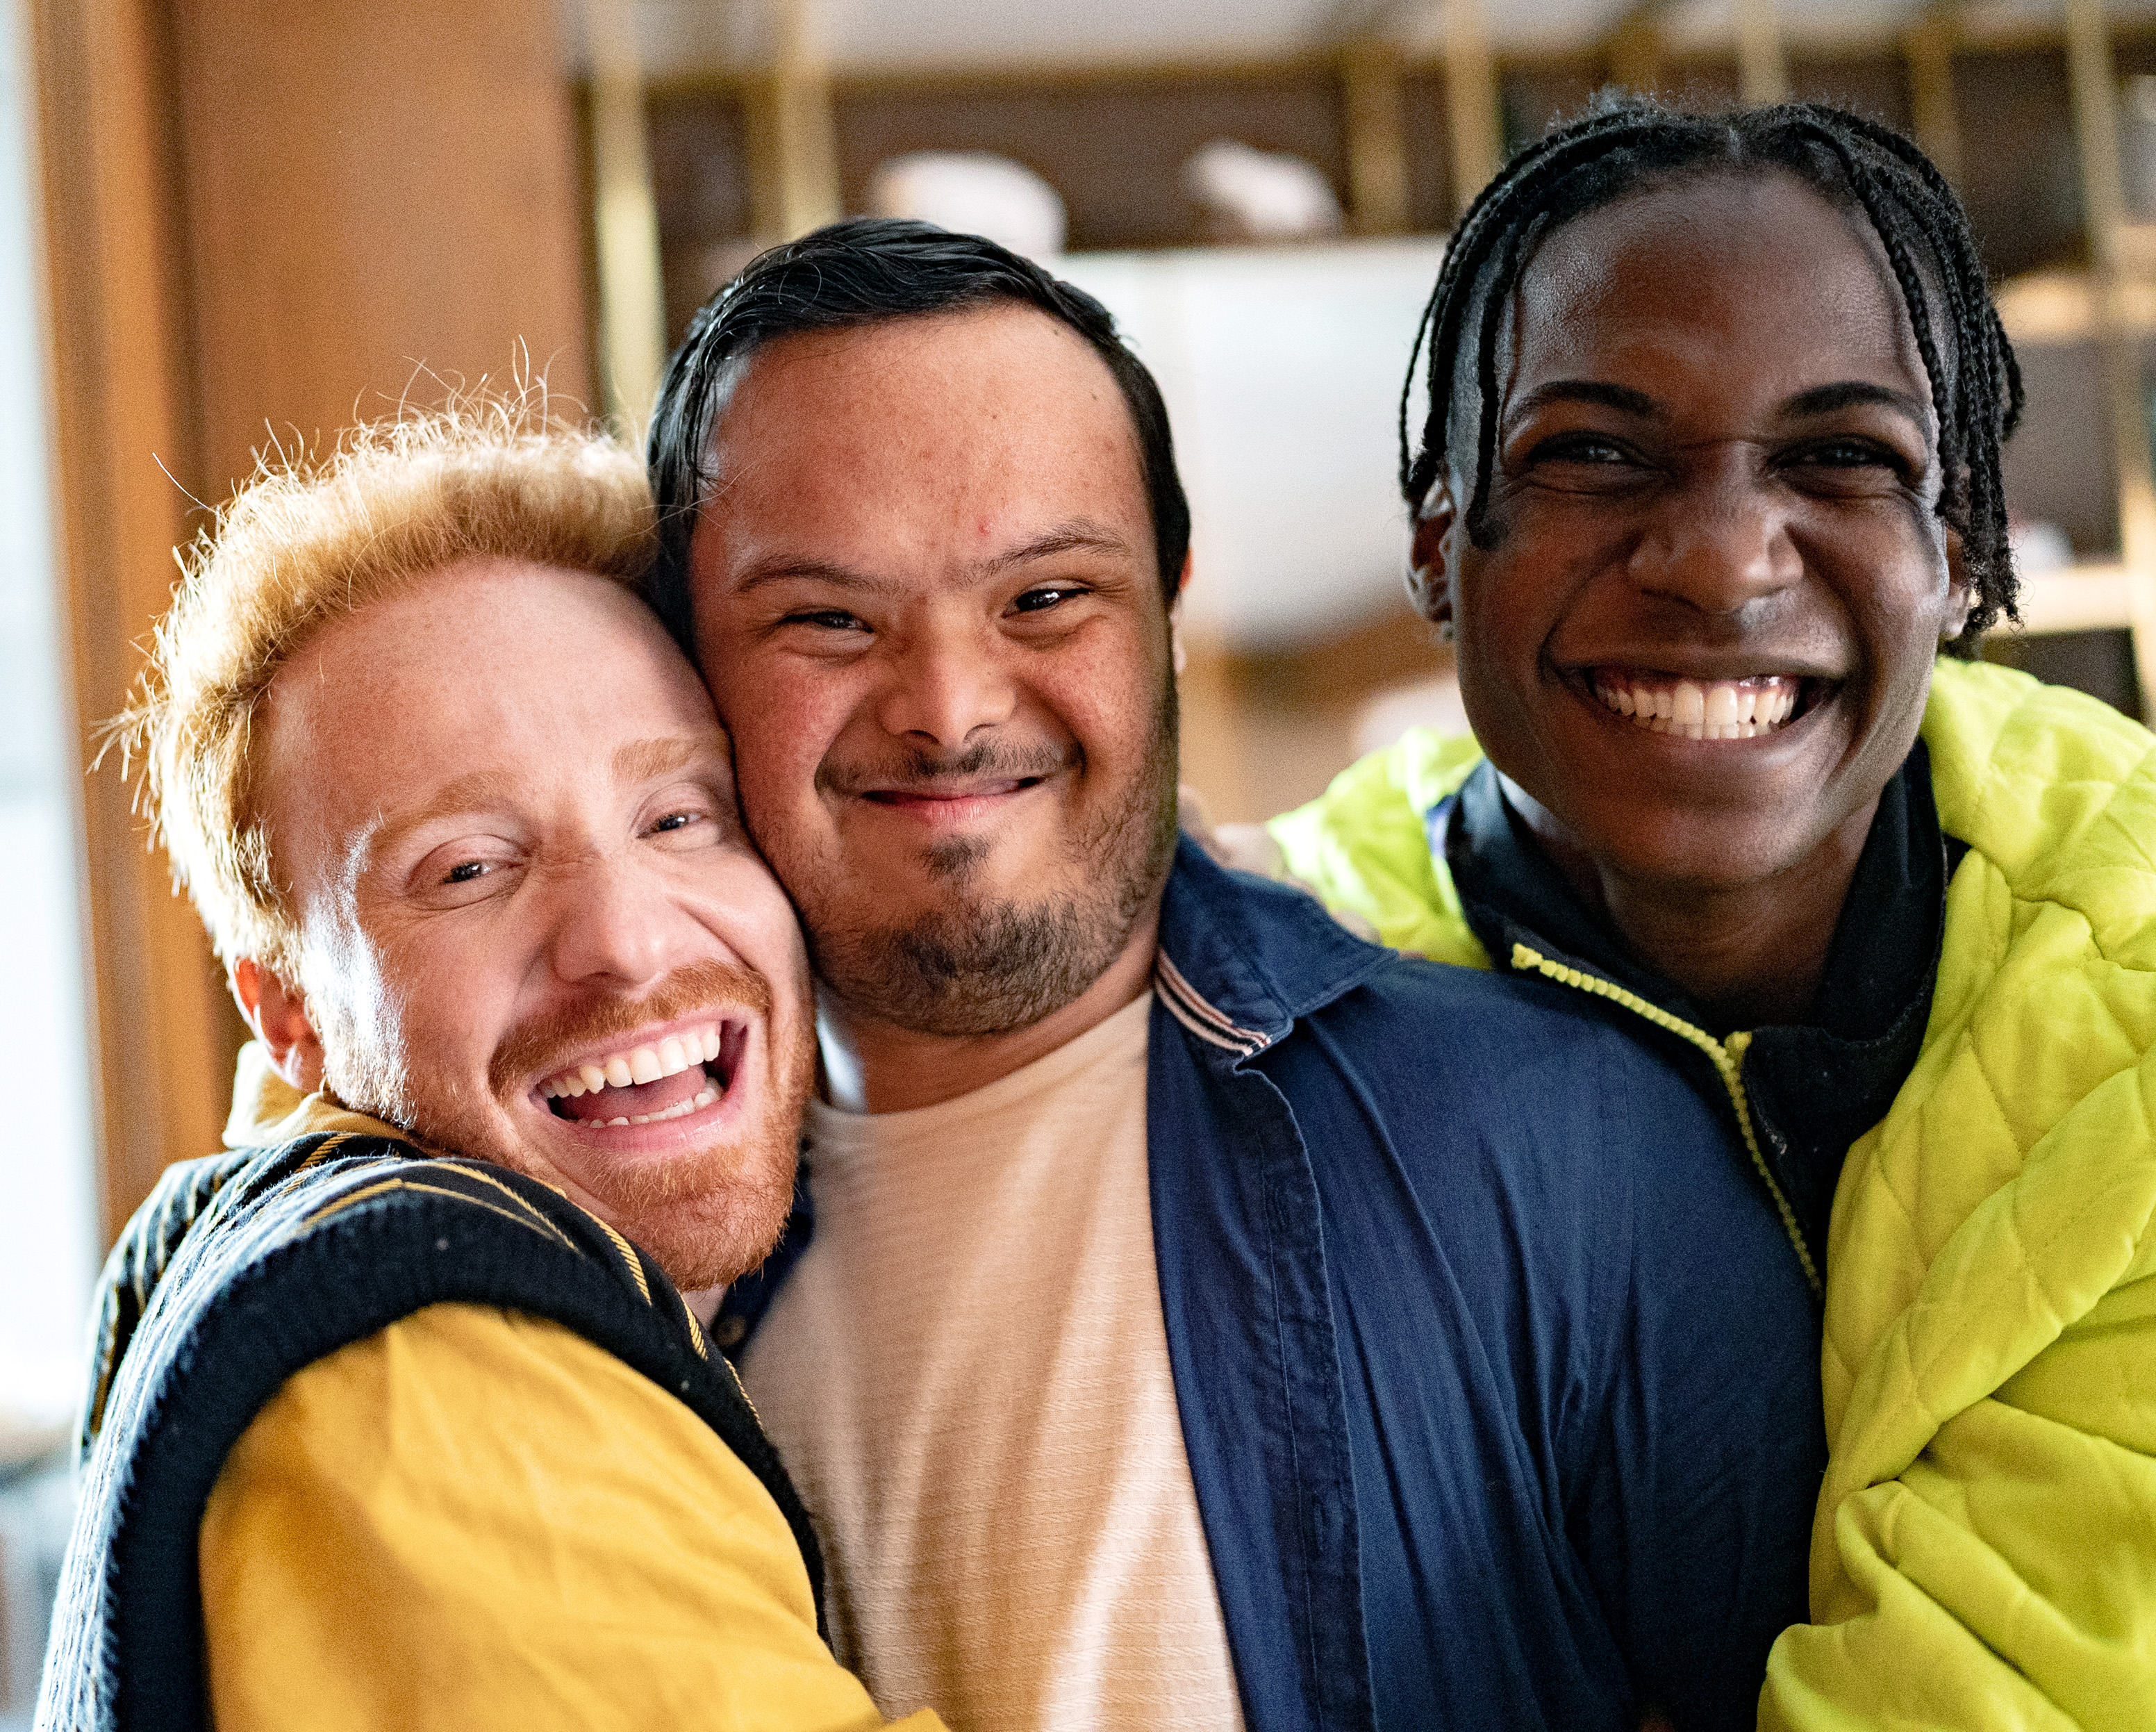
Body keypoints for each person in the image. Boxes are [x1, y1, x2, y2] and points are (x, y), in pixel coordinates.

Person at [645, 218, 1827, 1732]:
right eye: (825, 617)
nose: (945, 709)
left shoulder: (1573, 1150)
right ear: (687, 651)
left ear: (1171, 610)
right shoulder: (613, 1270)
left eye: (1045, 598)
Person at [1266, 99, 2156, 1729]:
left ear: (1955, 557)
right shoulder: (1275, 1000)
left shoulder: (2137, 982)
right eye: (1595, 451)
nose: (1721, 560)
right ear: (1439, 547)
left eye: (1840, 457)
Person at [37, 410, 943, 1732]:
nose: (626, 943)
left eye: (681, 816)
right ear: (286, 1012)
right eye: (467, 869)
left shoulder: (264, 1239)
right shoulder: (435, 1372)